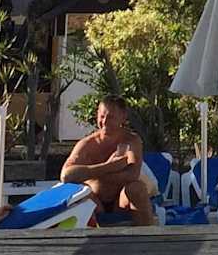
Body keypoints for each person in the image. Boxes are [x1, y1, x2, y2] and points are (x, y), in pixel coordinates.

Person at [60, 96, 157, 226]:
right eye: (101, 116)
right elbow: (66, 176)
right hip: (95, 201)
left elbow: (132, 175)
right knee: (78, 191)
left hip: (120, 200)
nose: (104, 122)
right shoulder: (87, 144)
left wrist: (89, 174)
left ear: (123, 117)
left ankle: (147, 234)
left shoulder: (131, 141)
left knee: (137, 188)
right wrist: (108, 166)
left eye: (110, 117)